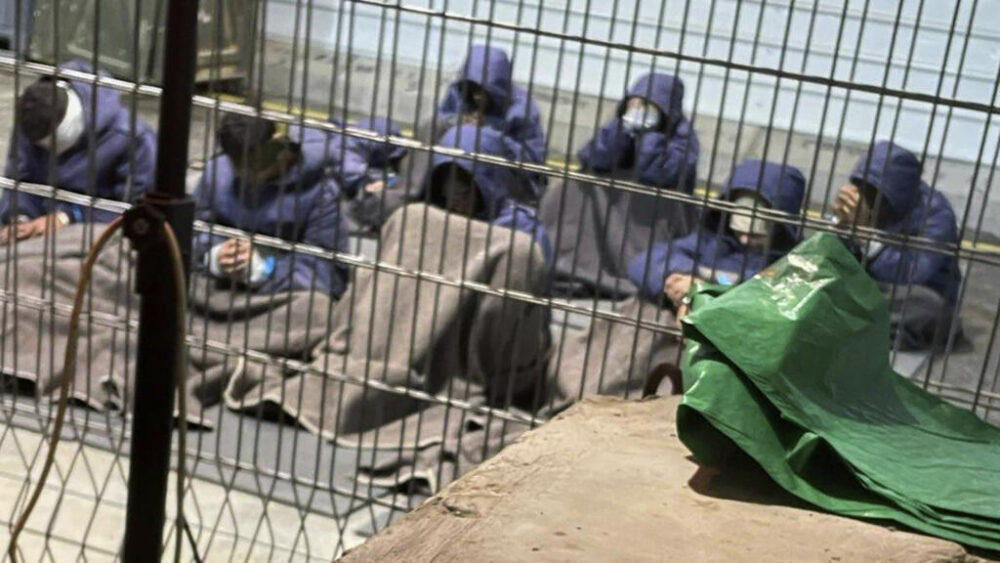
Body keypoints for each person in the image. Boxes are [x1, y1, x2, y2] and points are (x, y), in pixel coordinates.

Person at [538, 72, 700, 298]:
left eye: (649, 105)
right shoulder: (622, 123)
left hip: (651, 217)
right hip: (612, 212)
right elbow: (592, 156)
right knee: (573, 187)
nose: (640, 110)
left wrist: (650, 135)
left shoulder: (683, 137)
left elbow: (659, 173)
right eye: (635, 103)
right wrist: (622, 129)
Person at [192, 113, 349, 297]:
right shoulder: (218, 172)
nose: (247, 178)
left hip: (279, 292)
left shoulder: (321, 192)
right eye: (239, 170)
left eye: (254, 171)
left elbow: (330, 274)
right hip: (220, 285)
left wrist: (264, 270)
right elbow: (186, 235)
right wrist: (214, 256)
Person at [0, 60, 156, 244]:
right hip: (37, 227)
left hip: (95, 234)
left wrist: (67, 218)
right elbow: (18, 180)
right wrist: (19, 219)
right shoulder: (31, 117)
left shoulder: (133, 139)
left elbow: (133, 211)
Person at [627, 159, 806, 318]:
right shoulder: (711, 242)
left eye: (755, 234)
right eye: (738, 230)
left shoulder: (794, 262)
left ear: (780, 228)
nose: (743, 239)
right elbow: (644, 262)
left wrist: (703, 291)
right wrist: (679, 279)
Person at [832, 140, 961, 350]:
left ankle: (856, 325)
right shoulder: (864, 200)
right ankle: (860, 324)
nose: (866, 195)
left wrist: (865, 235)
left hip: (915, 295)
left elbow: (913, 274)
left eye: (874, 192)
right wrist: (841, 225)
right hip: (871, 291)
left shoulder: (937, 214)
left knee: (929, 308)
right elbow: (838, 259)